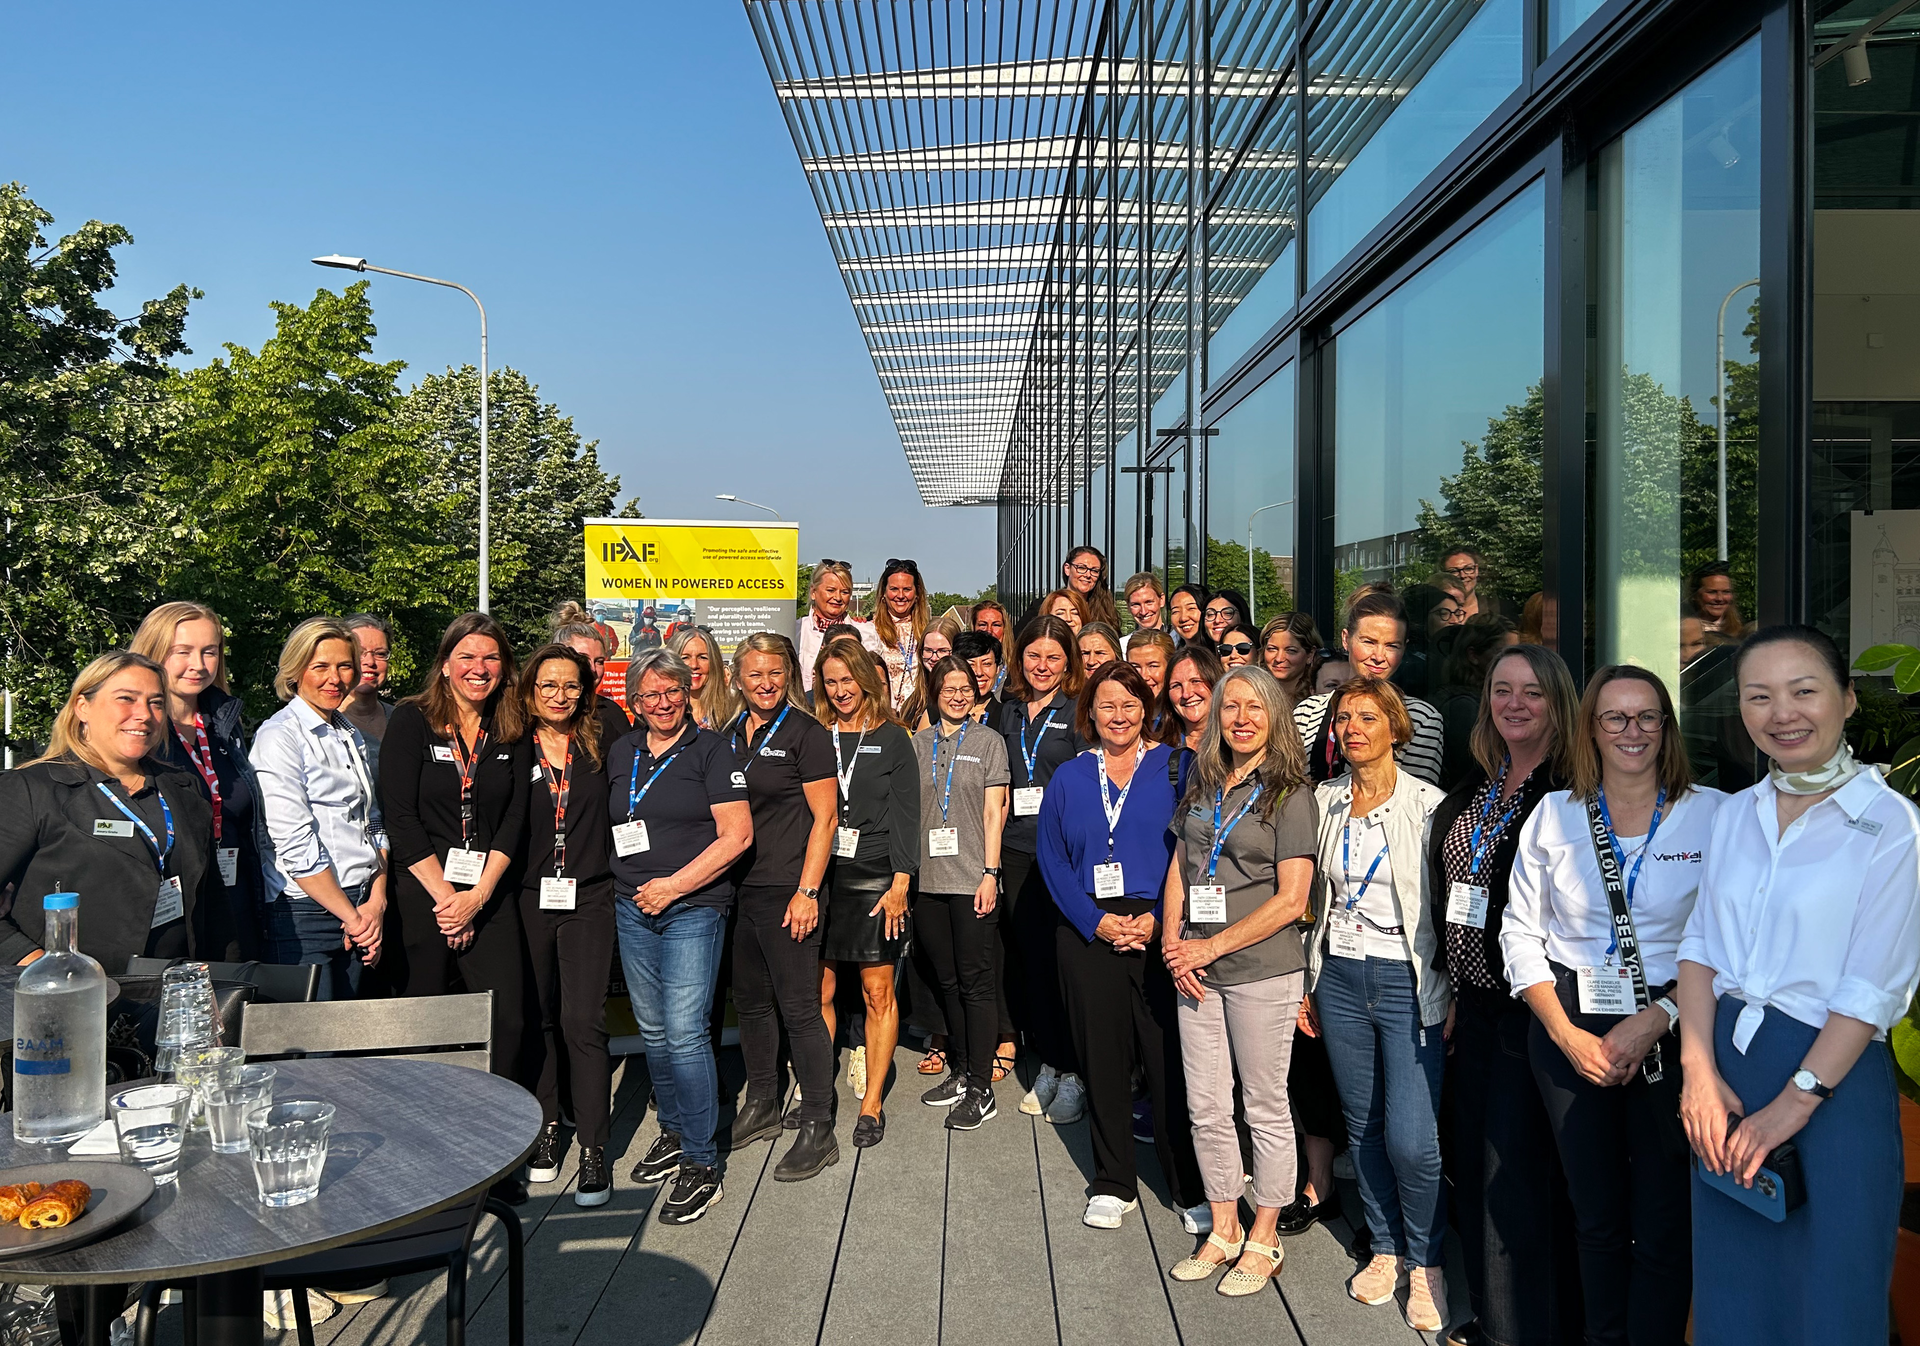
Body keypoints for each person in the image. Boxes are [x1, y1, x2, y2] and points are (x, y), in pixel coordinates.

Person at [1677, 626, 1920, 1345]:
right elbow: (1699, 950)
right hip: (1723, 1073)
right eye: (1760, 696)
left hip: (1831, 1083)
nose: (1782, 712)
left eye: (1803, 690)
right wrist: (1696, 1073)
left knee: (1833, 1295)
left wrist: (1793, 1104)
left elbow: (1870, 990)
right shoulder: (1734, 814)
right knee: (1732, 1292)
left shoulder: (1891, 826)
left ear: (1846, 699)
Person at [1502, 663, 1721, 1346]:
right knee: (1593, 1215)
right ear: (1590, 730)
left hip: (1675, 1020)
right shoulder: (1555, 814)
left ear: (1666, 728)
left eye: (1646, 716)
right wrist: (1568, 1036)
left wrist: (1659, 1019)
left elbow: (1726, 939)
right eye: (1615, 718)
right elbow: (1519, 930)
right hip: (1570, 1022)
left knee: (1663, 1215)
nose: (1632, 731)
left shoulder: (1712, 814)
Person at [1427, 645, 1583, 1346]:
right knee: (1473, 1160)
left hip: (1536, 1008)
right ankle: (1499, 1316)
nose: (1514, 703)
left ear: (1558, 702)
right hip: (1477, 1004)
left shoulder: (1569, 788)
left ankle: (1518, 1330)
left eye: (1532, 692)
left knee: (1512, 1177)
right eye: (1501, 690)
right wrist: (1458, 987)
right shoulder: (1485, 780)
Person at [1163, 666, 1318, 1295]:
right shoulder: (1203, 778)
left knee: (1264, 1106)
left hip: (1260, 971)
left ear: (1275, 716)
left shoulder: (1291, 793)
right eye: (1231, 708)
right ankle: (1223, 1225)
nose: (1242, 719)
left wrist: (1210, 947)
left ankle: (1265, 1235)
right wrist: (1174, 943)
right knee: (1205, 1104)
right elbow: (1182, 861)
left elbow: (1292, 900)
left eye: (1255, 708)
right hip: (1195, 970)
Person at [1037, 661, 1207, 1230]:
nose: (1119, 715)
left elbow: (1194, 855)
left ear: (1147, 708)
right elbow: (1052, 860)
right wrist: (1096, 921)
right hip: (1089, 930)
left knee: (1167, 1064)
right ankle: (1113, 1181)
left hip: (1162, 928)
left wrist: (1160, 919)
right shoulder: (1069, 776)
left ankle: (1187, 1187)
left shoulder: (1175, 766)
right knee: (1103, 1060)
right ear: (1090, 711)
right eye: (1107, 705)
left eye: (1130, 704)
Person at [1304, 677, 1451, 1333]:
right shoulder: (1322, 799)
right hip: (1337, 974)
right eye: (1343, 718)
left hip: (1407, 981)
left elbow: (1451, 913)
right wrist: (1307, 980)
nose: (1353, 728)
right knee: (1360, 1124)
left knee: (1414, 1139)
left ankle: (1428, 1260)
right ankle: (1386, 1245)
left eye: (1367, 717)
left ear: (1397, 727)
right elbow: (1312, 900)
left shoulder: (1430, 807)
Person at [607, 647, 751, 1222]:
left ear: (689, 693)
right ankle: (672, 1128)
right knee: (653, 1031)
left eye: (673, 692)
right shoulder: (622, 751)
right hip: (630, 905)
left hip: (692, 905)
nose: (663, 703)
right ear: (634, 702)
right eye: (651, 695)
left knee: (687, 1032)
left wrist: (673, 886)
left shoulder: (714, 750)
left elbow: (736, 836)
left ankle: (701, 1161)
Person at [378, 613, 533, 1096]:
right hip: (424, 893)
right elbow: (400, 817)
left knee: (507, 1018)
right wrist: (450, 900)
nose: (479, 667)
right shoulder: (411, 719)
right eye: (466, 656)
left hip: (489, 893)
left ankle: (498, 1123)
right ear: (445, 665)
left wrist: (478, 896)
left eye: (491, 657)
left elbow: (516, 818)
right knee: (423, 1019)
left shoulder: (512, 726)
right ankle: (426, 1125)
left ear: (505, 668)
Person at [0, 651, 223, 973]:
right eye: (126, 699)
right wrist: (42, 965)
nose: (144, 715)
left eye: (156, 703)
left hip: (171, 989)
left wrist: (226, 983)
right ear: (82, 707)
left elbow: (212, 904)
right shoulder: (33, 789)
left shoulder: (182, 788)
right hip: (70, 997)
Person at [724, 633, 841, 1183]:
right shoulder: (728, 734)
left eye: (775, 673)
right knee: (751, 1004)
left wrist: (808, 891)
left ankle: (819, 1123)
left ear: (788, 674)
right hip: (737, 890)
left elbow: (827, 819)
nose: (765, 683)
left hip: (788, 888)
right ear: (737, 678)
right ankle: (763, 1103)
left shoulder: (806, 733)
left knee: (799, 1008)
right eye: (755, 674)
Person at [515, 645, 616, 1208]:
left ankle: (595, 1146)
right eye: (549, 685)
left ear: (585, 689)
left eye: (571, 685)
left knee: (583, 1018)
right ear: (530, 689)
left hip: (590, 896)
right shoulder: (510, 746)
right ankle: (549, 1126)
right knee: (540, 1015)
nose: (560, 695)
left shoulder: (603, 741)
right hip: (528, 897)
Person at [813, 635, 920, 1149]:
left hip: (876, 877)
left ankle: (872, 1101)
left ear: (866, 678)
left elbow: (907, 816)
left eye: (847, 679)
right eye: (830, 682)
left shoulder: (893, 737)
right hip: (822, 877)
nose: (839, 690)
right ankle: (816, 1094)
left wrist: (901, 882)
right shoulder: (815, 735)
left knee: (878, 993)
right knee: (822, 992)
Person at [252, 620, 389, 999]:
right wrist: (354, 917)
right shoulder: (279, 736)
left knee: (350, 1046)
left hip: (361, 906)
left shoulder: (349, 733)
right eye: (321, 667)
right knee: (311, 1049)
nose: (336, 678)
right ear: (296, 672)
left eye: (345, 666)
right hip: (305, 914)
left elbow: (372, 821)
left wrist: (376, 902)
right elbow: (294, 843)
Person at [993, 615, 1089, 1122]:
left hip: (1062, 854)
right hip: (1015, 849)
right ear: (1020, 657)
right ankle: (1050, 1062)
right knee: (1031, 960)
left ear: (1068, 662)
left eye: (1054, 657)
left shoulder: (1077, 711)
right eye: (1034, 656)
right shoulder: (1008, 709)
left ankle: (1074, 1070)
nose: (1043, 666)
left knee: (1064, 962)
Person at [130, 601, 262, 960]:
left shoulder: (224, 724)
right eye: (182, 652)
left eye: (210, 652)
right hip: (170, 907)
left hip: (234, 895)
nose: (199, 665)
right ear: (153, 653)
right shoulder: (135, 732)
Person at [912, 656, 1011, 1130]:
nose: (956, 694)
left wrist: (991, 872)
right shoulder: (919, 743)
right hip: (928, 881)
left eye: (964, 686)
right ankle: (964, 1068)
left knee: (976, 982)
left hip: (973, 879)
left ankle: (982, 1087)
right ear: (934, 692)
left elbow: (996, 813)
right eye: (947, 687)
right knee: (946, 980)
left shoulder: (990, 742)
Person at [1293, 590, 1444, 785]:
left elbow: (1417, 804)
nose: (1379, 656)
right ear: (1346, 639)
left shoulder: (1421, 718)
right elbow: (1291, 787)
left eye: (1392, 646)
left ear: (1404, 648)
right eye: (1369, 642)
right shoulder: (1308, 711)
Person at [552, 601, 631, 748]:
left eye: (599, 661)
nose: (593, 669)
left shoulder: (613, 716)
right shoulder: (529, 715)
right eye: (583, 659)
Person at [798, 559, 885, 690]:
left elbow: (880, 680)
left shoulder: (866, 632)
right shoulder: (796, 630)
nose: (838, 598)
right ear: (813, 592)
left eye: (844, 592)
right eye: (831, 590)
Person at [341, 613, 397, 776]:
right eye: (360, 653)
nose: (370, 662)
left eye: (380, 654)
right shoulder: (327, 723)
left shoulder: (400, 719)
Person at [873, 559, 930, 711]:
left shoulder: (928, 632)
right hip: (883, 715)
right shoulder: (869, 630)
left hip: (920, 716)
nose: (900, 595)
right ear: (884, 593)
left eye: (907, 589)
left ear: (917, 593)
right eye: (894, 589)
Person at [898, 619, 960, 732]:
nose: (934, 657)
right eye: (928, 650)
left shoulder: (958, 700)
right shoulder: (914, 699)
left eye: (942, 651)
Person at [666, 626, 731, 731]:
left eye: (703, 657)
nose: (694, 665)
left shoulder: (732, 715)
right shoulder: (658, 713)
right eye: (685, 658)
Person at [1166, 647, 1224, 752]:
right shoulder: (1160, 748)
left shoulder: (1234, 746)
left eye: (1195, 681)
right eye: (1176, 686)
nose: (1186, 694)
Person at [1127, 628, 1179, 744]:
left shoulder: (1183, 717)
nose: (1143, 676)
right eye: (1135, 667)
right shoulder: (1121, 718)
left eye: (1153, 666)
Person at [1260, 612, 1321, 706]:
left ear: (1310, 654)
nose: (1279, 658)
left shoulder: (1320, 697)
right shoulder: (1252, 692)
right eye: (1272, 649)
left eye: (1291, 651)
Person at [1439, 548, 1509, 622]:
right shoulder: (1433, 611)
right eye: (1454, 571)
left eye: (1468, 569)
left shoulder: (1500, 609)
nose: (1462, 576)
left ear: (1476, 570)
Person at [1687, 560, 1746, 639]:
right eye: (1712, 592)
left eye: (1726, 592)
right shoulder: (1680, 631)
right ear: (1694, 595)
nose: (1719, 598)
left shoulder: (1743, 632)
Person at [954, 631, 1004, 721]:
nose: (979, 672)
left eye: (986, 664)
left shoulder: (1007, 716)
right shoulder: (941, 711)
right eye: (971, 665)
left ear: (997, 668)